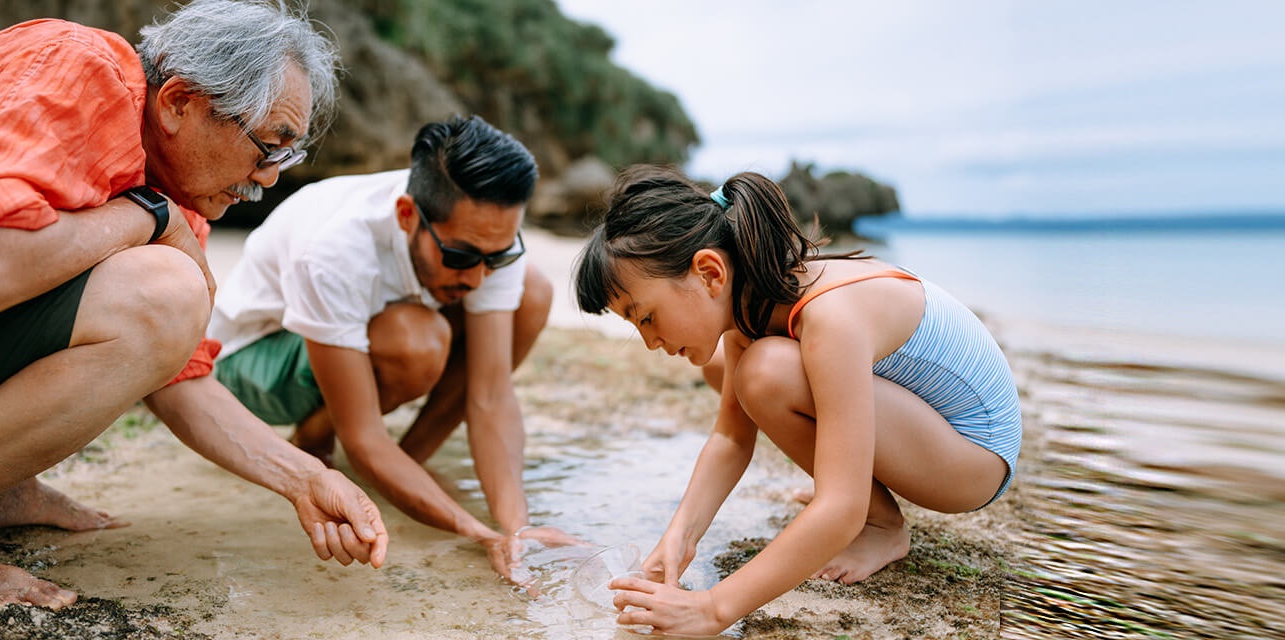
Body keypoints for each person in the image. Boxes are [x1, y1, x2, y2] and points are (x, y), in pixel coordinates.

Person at [0, 1, 389, 628]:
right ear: (179, 101)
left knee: (166, 292)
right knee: (167, 288)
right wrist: (144, 218)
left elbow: (176, 375)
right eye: (268, 148)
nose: (266, 179)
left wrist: (304, 479)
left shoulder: (172, 194)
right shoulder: (75, 69)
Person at [572, 165, 1023, 636]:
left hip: (976, 459)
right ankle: (861, 495)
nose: (649, 342)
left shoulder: (830, 314)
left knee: (766, 375)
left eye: (646, 317)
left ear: (709, 273)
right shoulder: (751, 301)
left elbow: (839, 508)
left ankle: (882, 526)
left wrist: (712, 609)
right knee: (744, 371)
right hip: (931, 432)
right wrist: (679, 537)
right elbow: (730, 438)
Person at [207, 115, 576, 582]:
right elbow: (362, 437)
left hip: (342, 341)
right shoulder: (335, 247)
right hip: (249, 363)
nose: (479, 276)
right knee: (415, 341)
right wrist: (475, 532)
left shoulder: (481, 231)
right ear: (407, 216)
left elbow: (491, 395)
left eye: (496, 257)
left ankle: (406, 467)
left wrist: (516, 527)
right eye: (461, 257)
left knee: (532, 292)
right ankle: (315, 440)